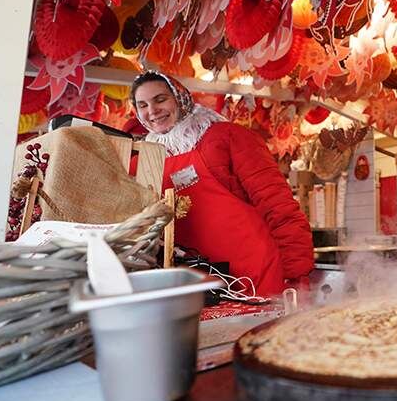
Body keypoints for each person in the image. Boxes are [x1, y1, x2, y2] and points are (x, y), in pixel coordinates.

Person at [130, 71, 313, 296]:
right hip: (201, 284)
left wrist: (295, 272)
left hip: (256, 274)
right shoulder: (144, 161)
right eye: (143, 105)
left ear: (180, 97)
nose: (152, 111)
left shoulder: (226, 137)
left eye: (160, 99)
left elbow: (278, 204)